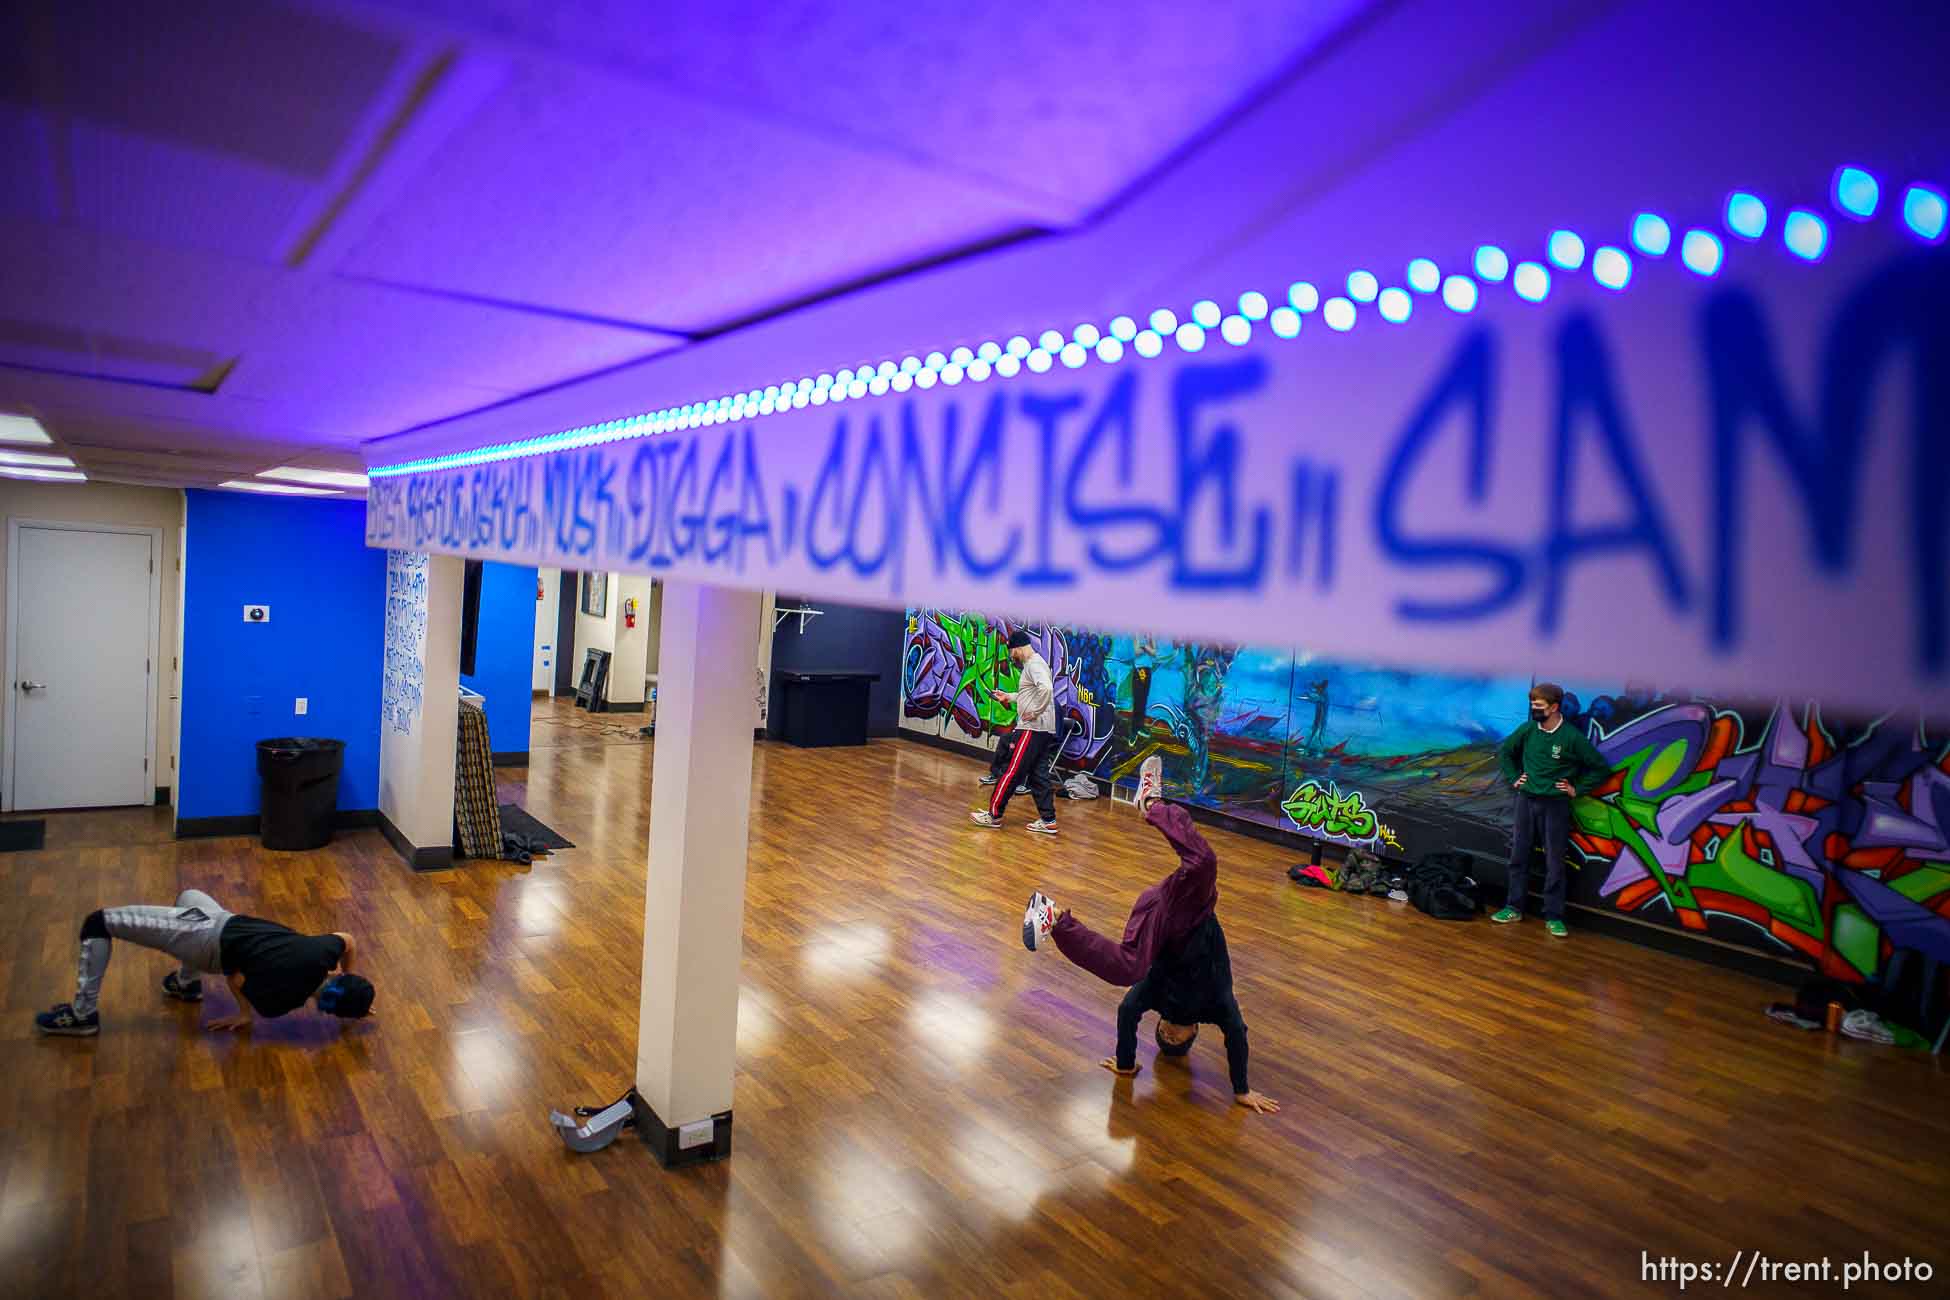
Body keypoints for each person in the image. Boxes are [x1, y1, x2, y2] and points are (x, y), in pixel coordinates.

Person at [1021, 759, 1279, 1114]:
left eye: (1163, 1036)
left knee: (1130, 969)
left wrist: (1126, 1063)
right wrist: (1241, 1090)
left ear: (1157, 1022)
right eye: (1176, 1039)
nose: (1170, 1035)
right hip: (1190, 913)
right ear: (1193, 1034)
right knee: (1203, 863)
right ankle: (1152, 802)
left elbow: (1128, 1011)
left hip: (1158, 918)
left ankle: (1054, 918)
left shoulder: (1155, 998)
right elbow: (1237, 1035)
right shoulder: (1217, 1007)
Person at [34, 888, 374, 1036]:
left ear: (338, 979)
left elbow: (349, 940)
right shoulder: (281, 1004)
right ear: (328, 1008)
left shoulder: (322, 954)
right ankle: (186, 984)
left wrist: (349, 973)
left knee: (98, 922)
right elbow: (239, 980)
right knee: (188, 896)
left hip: (206, 938)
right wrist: (245, 1012)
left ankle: (82, 1016)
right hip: (213, 925)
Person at [1492, 682, 1611, 937]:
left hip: (1555, 805)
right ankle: (1513, 907)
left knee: (1554, 862)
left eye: (1539, 706)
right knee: (1518, 856)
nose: (1534, 710)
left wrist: (1576, 788)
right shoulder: (1527, 730)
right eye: (1532, 705)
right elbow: (1506, 753)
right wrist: (1515, 777)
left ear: (1554, 707)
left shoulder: (1571, 737)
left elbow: (1600, 768)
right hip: (1526, 800)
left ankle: (1554, 916)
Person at [971, 629, 1059, 834]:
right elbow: (1031, 693)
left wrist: (1035, 712)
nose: (1011, 656)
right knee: (1039, 775)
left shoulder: (1034, 665)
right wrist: (1008, 696)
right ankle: (1048, 820)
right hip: (1044, 730)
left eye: (1012, 651)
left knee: (1012, 771)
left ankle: (993, 815)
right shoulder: (1036, 664)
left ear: (1018, 648)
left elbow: (1046, 689)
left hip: (1031, 729)